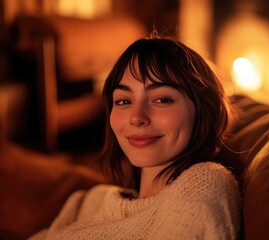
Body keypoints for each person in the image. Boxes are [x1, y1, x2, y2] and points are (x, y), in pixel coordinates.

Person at [29, 34, 240, 240]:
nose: (136, 118)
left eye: (162, 99)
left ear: (203, 109)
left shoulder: (203, 182)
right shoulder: (92, 201)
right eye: (123, 101)